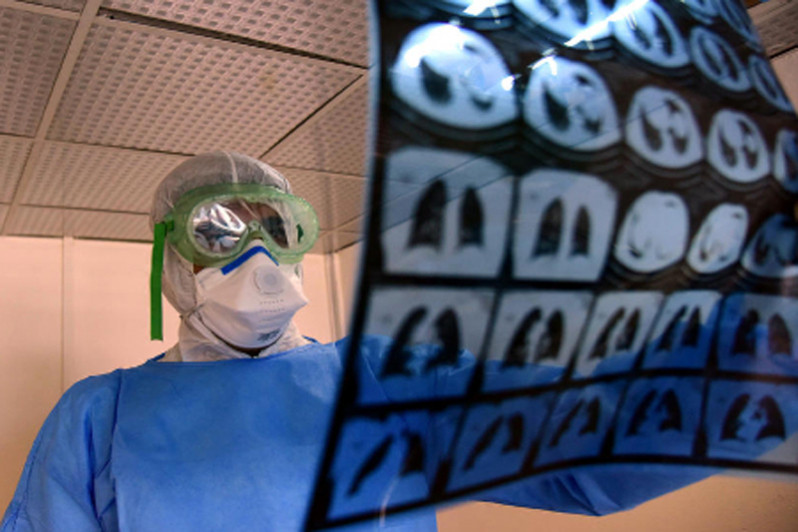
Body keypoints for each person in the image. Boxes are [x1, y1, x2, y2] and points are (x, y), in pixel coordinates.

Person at [2, 152, 708, 532]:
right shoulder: (99, 416)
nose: (256, 257)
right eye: (218, 234)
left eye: (275, 231)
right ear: (172, 261)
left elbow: (581, 439)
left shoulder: (386, 379)